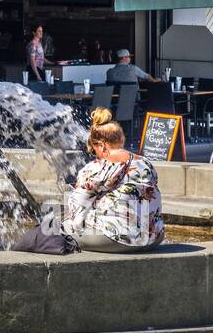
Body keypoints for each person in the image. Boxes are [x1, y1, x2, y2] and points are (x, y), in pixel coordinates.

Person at [63, 108, 165, 252]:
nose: (95, 154)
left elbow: (78, 206)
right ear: (122, 139)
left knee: (57, 228)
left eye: (94, 149)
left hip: (118, 239)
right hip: (154, 237)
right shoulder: (145, 163)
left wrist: (73, 229)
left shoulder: (95, 168)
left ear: (102, 145)